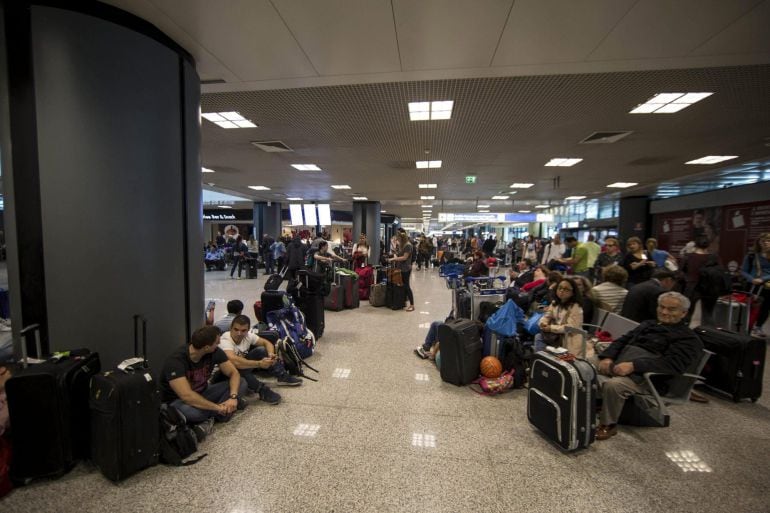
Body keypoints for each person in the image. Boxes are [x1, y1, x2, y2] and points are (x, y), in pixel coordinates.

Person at [595, 292, 703, 441]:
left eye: (671, 309)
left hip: (648, 378)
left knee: (615, 386)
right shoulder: (648, 324)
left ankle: (608, 424)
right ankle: (590, 402)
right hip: (620, 363)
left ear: (683, 313)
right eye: (662, 307)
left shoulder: (689, 339)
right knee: (584, 364)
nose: (664, 312)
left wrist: (635, 365)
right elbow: (622, 340)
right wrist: (607, 357)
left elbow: (673, 364)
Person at [159, 326, 249, 435]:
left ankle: (212, 417)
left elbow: (233, 373)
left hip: (203, 392)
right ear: (206, 347)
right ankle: (221, 413)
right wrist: (217, 407)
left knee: (242, 382)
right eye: (217, 342)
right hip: (179, 401)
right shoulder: (175, 361)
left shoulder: (214, 351)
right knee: (195, 413)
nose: (219, 343)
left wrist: (233, 397)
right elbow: (187, 396)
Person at [217, 315, 300, 391]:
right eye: (236, 329)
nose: (239, 333)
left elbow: (266, 343)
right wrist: (259, 364)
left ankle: (282, 376)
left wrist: (271, 355)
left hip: (241, 367)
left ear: (248, 330)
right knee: (239, 367)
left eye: (243, 330)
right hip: (223, 374)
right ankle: (261, 389)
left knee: (261, 350)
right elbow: (234, 361)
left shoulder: (248, 336)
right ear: (231, 328)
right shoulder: (225, 339)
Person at [536, 278, 587, 356]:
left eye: (566, 289)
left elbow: (571, 327)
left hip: (569, 337)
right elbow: (547, 316)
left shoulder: (575, 307)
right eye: (560, 288)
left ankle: (542, 359)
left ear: (573, 293)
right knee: (539, 336)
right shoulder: (555, 303)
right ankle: (542, 359)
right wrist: (543, 323)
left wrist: (551, 328)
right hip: (557, 335)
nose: (562, 291)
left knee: (539, 337)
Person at [681, 236, 718, 326]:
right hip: (710, 288)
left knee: (687, 313)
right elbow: (718, 273)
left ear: (695, 245)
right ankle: (709, 335)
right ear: (708, 245)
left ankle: (683, 333)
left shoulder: (688, 257)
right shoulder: (714, 257)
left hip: (692, 287)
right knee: (708, 315)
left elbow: (681, 272)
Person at [741, 233, 770, 337]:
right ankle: (747, 326)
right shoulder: (751, 255)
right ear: (759, 242)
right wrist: (752, 279)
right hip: (753, 286)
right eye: (763, 241)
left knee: (766, 308)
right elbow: (743, 271)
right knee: (750, 307)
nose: (766, 243)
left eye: (768, 241)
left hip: (767, 286)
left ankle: (759, 327)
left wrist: (763, 279)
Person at [388, 231, 415, 311]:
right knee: (402, 286)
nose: (398, 240)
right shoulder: (403, 245)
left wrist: (393, 258)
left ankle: (412, 305)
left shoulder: (408, 246)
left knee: (407, 286)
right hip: (401, 268)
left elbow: (404, 257)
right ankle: (403, 302)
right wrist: (394, 249)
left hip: (405, 268)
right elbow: (399, 254)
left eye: (398, 238)